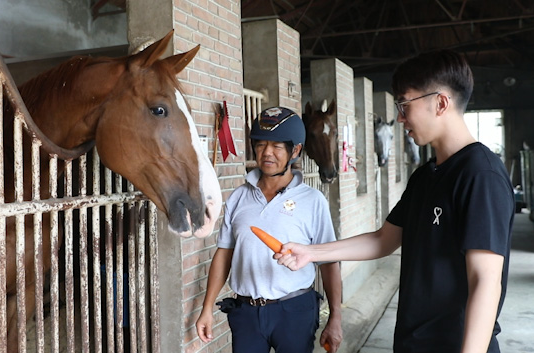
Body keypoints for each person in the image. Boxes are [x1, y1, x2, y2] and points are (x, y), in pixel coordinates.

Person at [275, 50, 514, 353]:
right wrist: (311, 252)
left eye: (404, 105)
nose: (400, 117)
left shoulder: (480, 175)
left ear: (440, 103)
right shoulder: (425, 177)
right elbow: (383, 240)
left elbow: (486, 281)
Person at [195, 107, 343, 353]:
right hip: (246, 313)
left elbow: (329, 262)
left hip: (294, 310)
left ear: (295, 151)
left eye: (276, 146)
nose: (267, 153)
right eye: (261, 145)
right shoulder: (238, 197)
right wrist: (207, 308)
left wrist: (335, 316)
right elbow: (224, 254)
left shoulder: (313, 200)